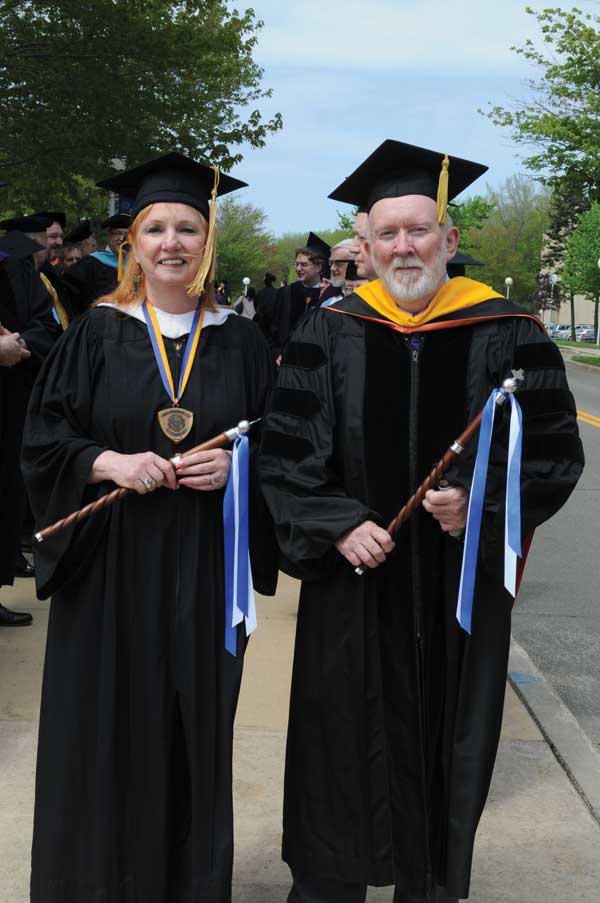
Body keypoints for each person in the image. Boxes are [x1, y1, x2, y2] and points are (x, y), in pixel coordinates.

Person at [259, 139, 584, 903]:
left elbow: (557, 453)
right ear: (365, 248)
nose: (404, 245)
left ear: (450, 238)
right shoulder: (328, 332)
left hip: (455, 593)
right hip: (354, 586)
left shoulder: (512, 332)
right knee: (339, 756)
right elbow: (285, 454)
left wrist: (482, 502)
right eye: (388, 233)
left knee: (442, 756)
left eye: (419, 228)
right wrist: (337, 522)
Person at [22, 151, 277, 903]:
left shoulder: (241, 340)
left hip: (203, 564)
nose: (172, 242)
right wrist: (105, 461)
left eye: (188, 228)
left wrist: (240, 471)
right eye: (156, 227)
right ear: (132, 241)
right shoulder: (96, 333)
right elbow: (42, 437)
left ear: (209, 241)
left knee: (189, 724)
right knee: (103, 729)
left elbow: (285, 444)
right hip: (109, 570)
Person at [0, 230, 61, 622]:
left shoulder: (14, 262)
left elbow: (47, 323)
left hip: (9, 402)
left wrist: (17, 345)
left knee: (3, 495)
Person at [271, 233, 329, 358]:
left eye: (304, 264)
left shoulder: (328, 296)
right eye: (296, 264)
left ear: (319, 267)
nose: (298, 268)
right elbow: (273, 328)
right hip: (283, 361)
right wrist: (276, 353)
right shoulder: (285, 293)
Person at [58, 213, 130, 315]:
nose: (122, 238)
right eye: (117, 233)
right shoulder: (90, 264)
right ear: (109, 235)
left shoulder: (139, 266)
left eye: (128, 234)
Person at [254, 271, 278, 340]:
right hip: (273, 321)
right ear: (273, 282)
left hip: (261, 320)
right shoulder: (277, 292)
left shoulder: (260, 292)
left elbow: (255, 305)